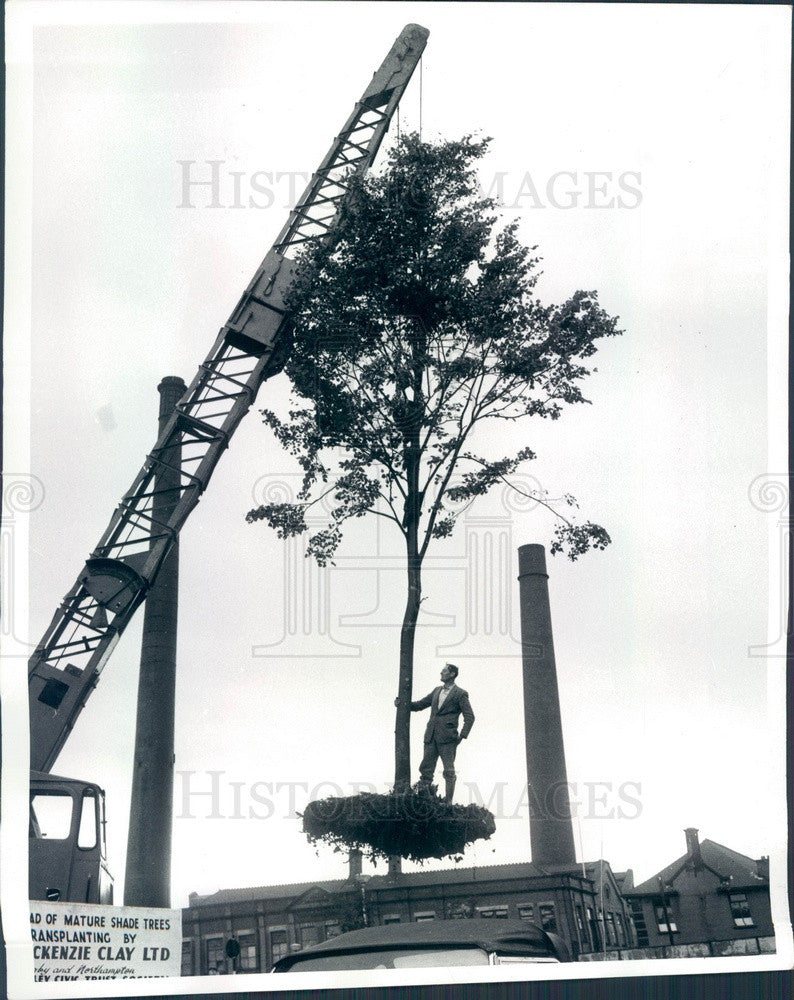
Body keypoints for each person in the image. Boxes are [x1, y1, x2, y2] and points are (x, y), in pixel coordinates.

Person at [397, 663, 475, 804]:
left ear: (452, 674)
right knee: (426, 770)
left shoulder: (460, 694)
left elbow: (470, 717)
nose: (441, 672)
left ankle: (448, 802)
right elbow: (420, 705)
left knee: (449, 771)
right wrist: (403, 703)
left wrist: (461, 736)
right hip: (431, 736)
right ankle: (424, 800)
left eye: (444, 671)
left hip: (448, 738)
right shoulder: (436, 691)